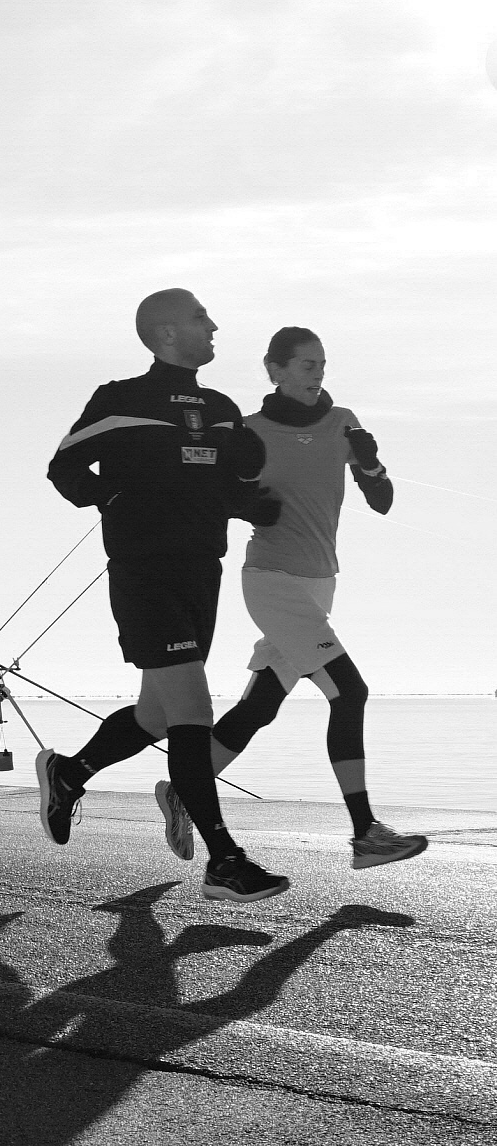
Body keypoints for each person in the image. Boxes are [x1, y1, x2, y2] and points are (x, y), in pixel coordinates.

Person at [42, 287, 289, 902]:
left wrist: (254, 502)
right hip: (142, 571)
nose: (214, 327)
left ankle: (70, 772)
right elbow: (65, 469)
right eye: (202, 319)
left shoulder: (222, 408)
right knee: (191, 711)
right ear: (165, 333)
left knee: (156, 714)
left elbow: (233, 487)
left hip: (202, 571)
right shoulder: (120, 400)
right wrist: (114, 498)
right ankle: (223, 861)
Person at [153, 328, 425, 871]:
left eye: (322, 363)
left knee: (258, 708)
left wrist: (370, 463)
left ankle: (183, 790)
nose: (317, 373)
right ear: (274, 369)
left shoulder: (342, 420)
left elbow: (384, 502)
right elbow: (214, 497)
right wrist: (249, 507)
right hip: (272, 579)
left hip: (321, 582)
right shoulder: (248, 432)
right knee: (350, 693)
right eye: (305, 365)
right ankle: (366, 832)